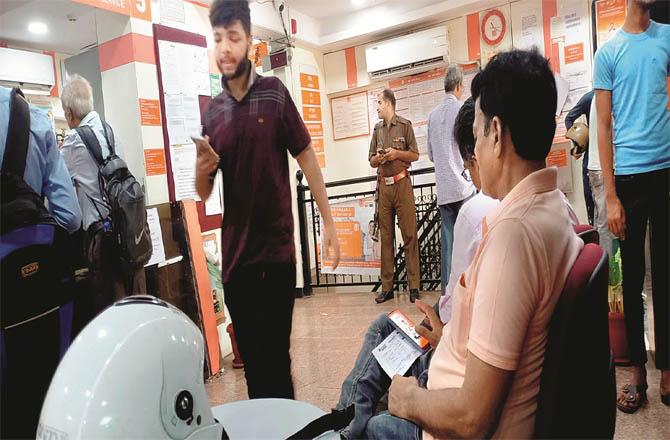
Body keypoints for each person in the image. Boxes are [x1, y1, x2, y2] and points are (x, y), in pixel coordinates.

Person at [364, 49, 582, 439]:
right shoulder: (555, 209)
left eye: (478, 133)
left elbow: (471, 417)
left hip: (457, 427)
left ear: (496, 134)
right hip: (467, 384)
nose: (473, 152)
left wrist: (408, 399)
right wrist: (446, 339)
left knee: (376, 424)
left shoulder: (513, 236)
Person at [195, 0, 340, 400]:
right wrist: (203, 168)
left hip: (275, 255)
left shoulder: (274, 94)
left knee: (277, 359)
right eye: (218, 38)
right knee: (253, 368)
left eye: (233, 38)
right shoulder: (214, 112)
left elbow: (307, 156)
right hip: (236, 261)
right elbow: (204, 191)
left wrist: (328, 225)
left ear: (249, 42)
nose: (225, 48)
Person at [334, 97, 499, 439]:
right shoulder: (542, 217)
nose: (467, 165)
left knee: (410, 242)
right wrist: (380, 159)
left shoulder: (482, 214)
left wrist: (442, 332)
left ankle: (344, 424)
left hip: (451, 365)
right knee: (389, 257)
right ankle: (345, 420)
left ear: (494, 138)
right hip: (385, 187)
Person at [593, 0, 670, 412]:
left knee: (668, 275)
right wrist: (610, 195)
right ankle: (637, 373)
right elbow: (603, 126)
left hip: (666, 173)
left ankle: (669, 371)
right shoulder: (608, 53)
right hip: (629, 178)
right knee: (634, 280)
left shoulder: (667, 37)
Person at [61, 75, 146, 315]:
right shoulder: (111, 133)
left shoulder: (73, 141)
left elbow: (57, 184)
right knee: (135, 311)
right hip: (130, 236)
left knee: (110, 315)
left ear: (68, 112)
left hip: (104, 242)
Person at [0, 86, 81, 233]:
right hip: (23, 249)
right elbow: (70, 217)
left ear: (69, 113)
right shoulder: (34, 118)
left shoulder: (73, 140)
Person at [369, 89, 421, 304]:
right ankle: (387, 287)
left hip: (402, 186)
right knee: (386, 239)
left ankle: (414, 286)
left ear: (389, 103)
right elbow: (370, 159)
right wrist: (380, 159)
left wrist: (396, 154)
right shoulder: (377, 130)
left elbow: (415, 154)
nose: (377, 106)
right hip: (384, 189)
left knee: (410, 236)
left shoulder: (405, 126)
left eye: (379, 102)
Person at [428, 64, 476, 290]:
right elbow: (470, 146)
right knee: (467, 239)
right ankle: (467, 287)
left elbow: (430, 154)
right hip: (465, 186)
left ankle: (447, 292)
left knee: (447, 244)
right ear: (458, 86)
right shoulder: (462, 110)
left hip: (444, 190)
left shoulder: (432, 116)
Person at [564, 90, 595, 226]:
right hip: (591, 161)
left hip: (614, 161)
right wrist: (578, 143)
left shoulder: (618, 94)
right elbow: (569, 118)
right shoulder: (590, 97)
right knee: (593, 210)